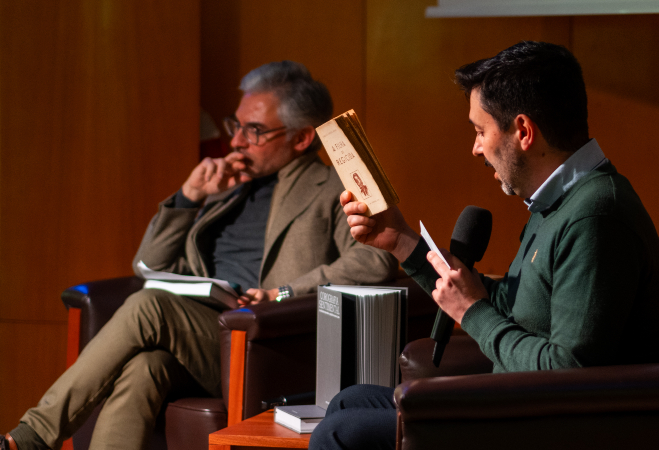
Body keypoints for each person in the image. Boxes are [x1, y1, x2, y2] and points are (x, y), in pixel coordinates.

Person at [1, 61, 396, 450]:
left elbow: (375, 260)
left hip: (262, 342)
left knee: (148, 306)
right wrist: (189, 197)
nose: (237, 141)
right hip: (200, 331)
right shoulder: (226, 189)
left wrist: (283, 292)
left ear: (302, 138)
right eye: (236, 125)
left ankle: (31, 438)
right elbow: (147, 266)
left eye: (254, 131)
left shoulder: (335, 188)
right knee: (145, 368)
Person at [309, 41, 659, 450]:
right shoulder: (558, 201)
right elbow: (516, 305)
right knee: (349, 401)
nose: (476, 147)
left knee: (340, 433)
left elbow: (570, 374)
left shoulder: (596, 215)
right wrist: (400, 241)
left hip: (555, 426)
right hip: (520, 405)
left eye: (480, 131)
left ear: (522, 131)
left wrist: (472, 313)